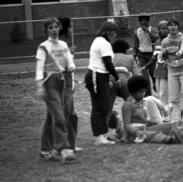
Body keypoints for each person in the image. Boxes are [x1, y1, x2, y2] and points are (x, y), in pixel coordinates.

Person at [118, 75, 183, 144]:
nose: (143, 94)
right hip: (134, 134)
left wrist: (149, 122)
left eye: (144, 91)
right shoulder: (127, 105)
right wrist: (137, 132)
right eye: (141, 92)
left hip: (145, 128)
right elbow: (127, 125)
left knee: (170, 126)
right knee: (154, 134)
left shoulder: (141, 102)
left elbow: (142, 120)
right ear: (133, 91)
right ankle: (169, 139)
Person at [35, 17, 76, 162]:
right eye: (50, 28)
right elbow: (40, 67)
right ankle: (63, 149)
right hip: (49, 81)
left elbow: (69, 58)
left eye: (56, 27)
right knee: (59, 116)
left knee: (52, 115)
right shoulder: (43, 46)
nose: (53, 30)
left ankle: (45, 150)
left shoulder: (63, 44)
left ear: (59, 28)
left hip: (62, 80)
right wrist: (40, 85)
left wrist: (71, 65)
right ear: (46, 30)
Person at [84, 21, 120, 145]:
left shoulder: (99, 41)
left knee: (102, 105)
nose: (113, 34)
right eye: (111, 31)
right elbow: (107, 63)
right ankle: (99, 137)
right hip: (96, 75)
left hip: (100, 75)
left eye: (114, 32)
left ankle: (101, 134)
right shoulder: (103, 43)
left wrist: (109, 77)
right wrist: (116, 76)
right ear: (105, 31)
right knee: (99, 107)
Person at [161, 19, 183, 125]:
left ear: (178, 27)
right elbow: (163, 56)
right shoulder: (164, 41)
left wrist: (178, 52)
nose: (172, 27)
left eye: (175, 25)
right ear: (168, 28)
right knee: (173, 98)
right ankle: (176, 120)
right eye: (170, 25)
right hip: (171, 71)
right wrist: (164, 56)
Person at [57, 16, 82, 152]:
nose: (72, 30)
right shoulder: (59, 44)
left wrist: (70, 55)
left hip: (68, 83)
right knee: (68, 114)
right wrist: (70, 55)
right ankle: (65, 145)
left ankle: (70, 144)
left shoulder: (64, 44)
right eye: (70, 27)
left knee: (71, 114)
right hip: (63, 82)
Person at [106, 39, 141, 124]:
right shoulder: (130, 57)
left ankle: (105, 125)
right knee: (131, 105)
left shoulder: (109, 57)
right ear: (125, 49)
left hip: (111, 83)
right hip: (126, 83)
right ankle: (133, 121)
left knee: (107, 108)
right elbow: (137, 75)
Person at [133, 13, 159, 96]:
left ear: (148, 21)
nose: (143, 22)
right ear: (139, 22)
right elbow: (135, 45)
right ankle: (148, 94)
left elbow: (155, 39)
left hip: (151, 55)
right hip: (141, 55)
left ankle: (157, 89)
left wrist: (148, 31)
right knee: (144, 76)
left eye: (145, 20)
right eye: (142, 21)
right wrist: (134, 55)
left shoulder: (153, 30)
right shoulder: (137, 32)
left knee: (153, 74)